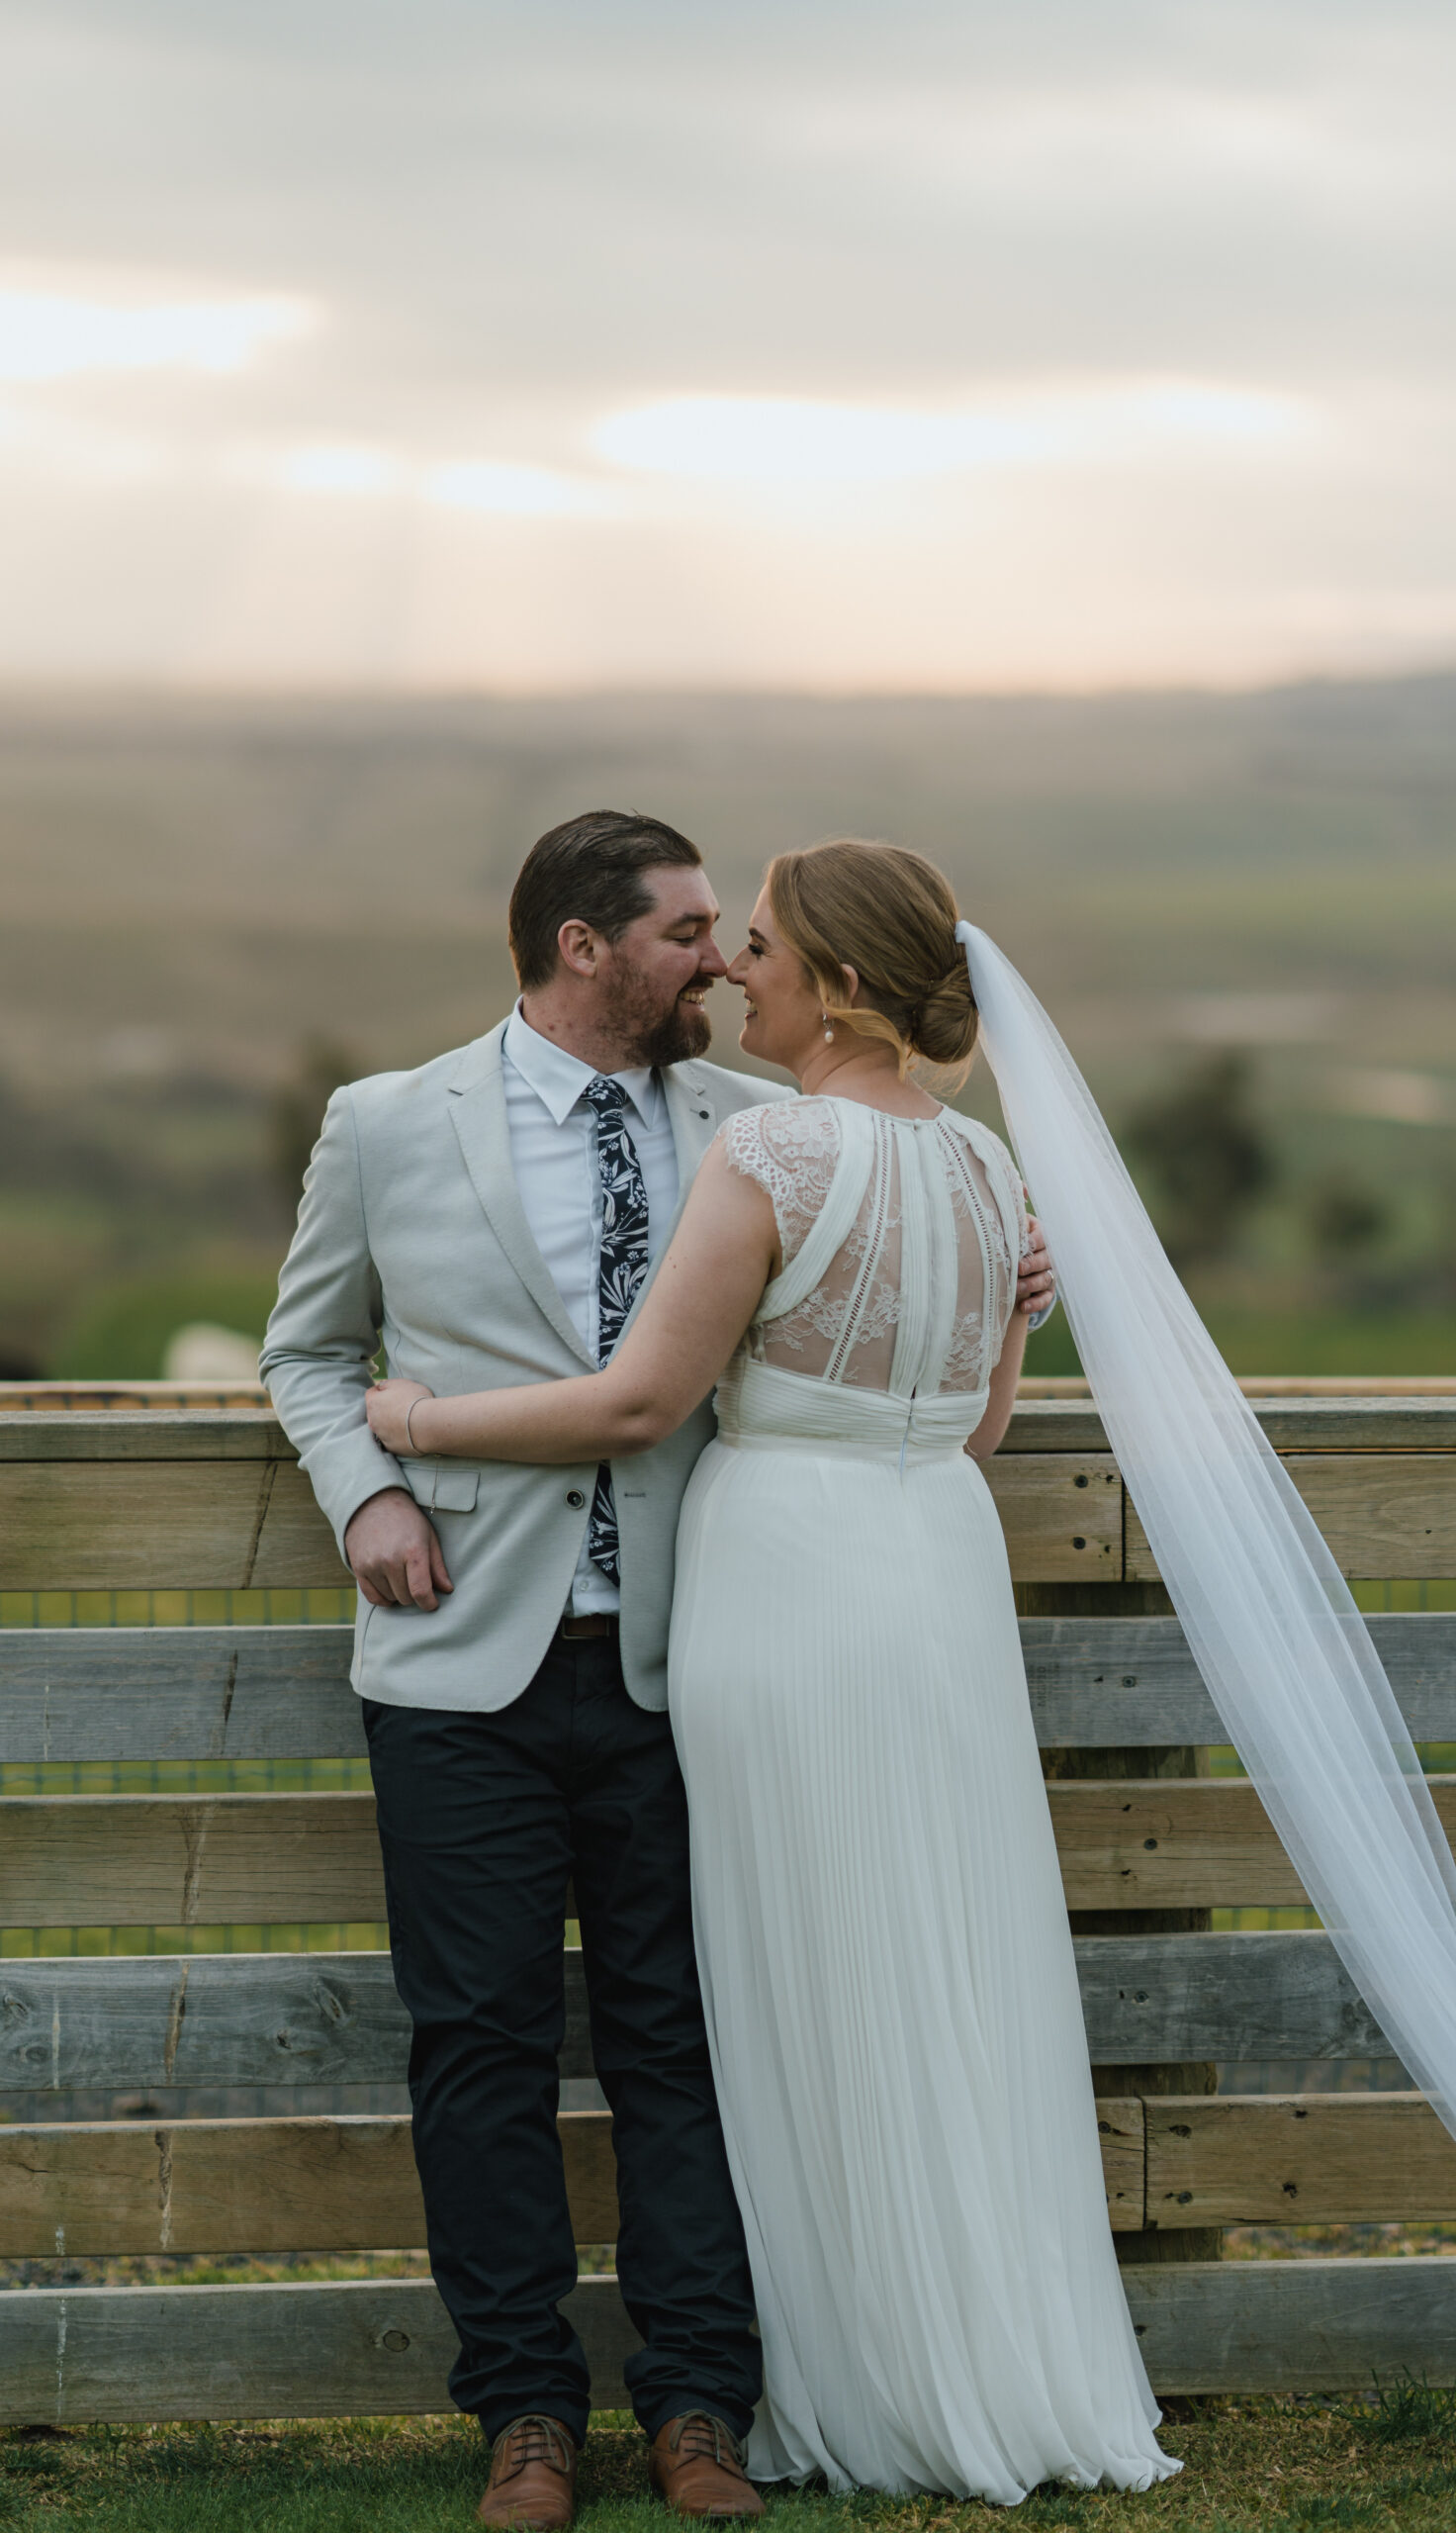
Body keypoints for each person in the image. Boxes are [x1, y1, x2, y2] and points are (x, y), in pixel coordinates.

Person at [262, 812, 1056, 2529]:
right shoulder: (388, 1123)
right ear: (582, 944)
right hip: (459, 1659)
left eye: (732, 933)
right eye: (691, 932)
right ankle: (525, 2418)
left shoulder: (763, 1126)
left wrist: (998, 1284)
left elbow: (838, 1302)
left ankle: (700, 2405)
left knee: (685, 2042)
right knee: (477, 2048)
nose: (723, 960)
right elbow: (310, 1352)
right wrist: (368, 1491)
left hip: (694, 1658)